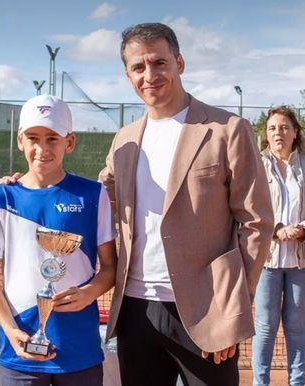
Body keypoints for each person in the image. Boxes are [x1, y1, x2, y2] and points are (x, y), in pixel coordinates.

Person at [98, 23, 274, 386]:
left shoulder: (229, 129)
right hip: (136, 310)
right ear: (128, 74)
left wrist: (230, 308)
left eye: (159, 62)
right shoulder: (124, 140)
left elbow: (257, 222)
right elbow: (102, 198)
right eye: (138, 67)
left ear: (179, 62)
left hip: (207, 312)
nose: (150, 75)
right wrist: (32, 183)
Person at [0, 94, 117, 386]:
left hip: (80, 349)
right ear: (20, 141)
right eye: (33, 138)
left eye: (52, 138)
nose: (42, 148)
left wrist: (89, 293)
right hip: (21, 349)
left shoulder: (93, 194)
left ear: (70, 142)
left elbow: (111, 267)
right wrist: (11, 332)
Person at [252, 107, 305, 386]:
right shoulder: (255, 166)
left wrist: (302, 228)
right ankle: (261, 383)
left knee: (297, 329)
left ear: (295, 133)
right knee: (265, 328)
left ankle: (298, 382)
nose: (278, 133)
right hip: (266, 261)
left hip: (300, 262)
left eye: (284, 127)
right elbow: (249, 209)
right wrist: (275, 230)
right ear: (266, 135)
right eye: (272, 128)